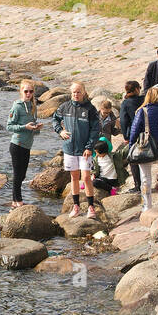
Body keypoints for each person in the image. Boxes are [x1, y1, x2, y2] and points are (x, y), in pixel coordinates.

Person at [54, 81, 100, 219]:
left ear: (84, 92)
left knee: (86, 177)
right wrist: (60, 131)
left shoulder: (90, 109)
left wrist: (89, 147)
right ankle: (76, 207)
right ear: (71, 93)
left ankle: (91, 207)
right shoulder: (64, 107)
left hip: (84, 150)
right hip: (69, 149)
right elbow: (55, 119)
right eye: (74, 92)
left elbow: (95, 129)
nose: (76, 94)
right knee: (74, 177)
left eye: (79, 91)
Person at [6, 80, 43, 208]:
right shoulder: (17, 106)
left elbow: (32, 126)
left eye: (31, 91)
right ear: (21, 91)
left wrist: (36, 128)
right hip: (17, 144)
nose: (28, 94)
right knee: (17, 174)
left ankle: (14, 201)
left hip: (27, 145)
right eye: (25, 91)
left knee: (22, 175)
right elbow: (9, 126)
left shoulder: (33, 107)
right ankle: (18, 202)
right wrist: (24, 127)